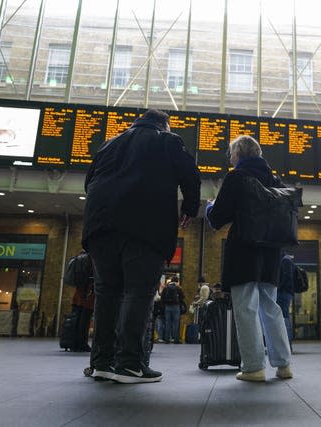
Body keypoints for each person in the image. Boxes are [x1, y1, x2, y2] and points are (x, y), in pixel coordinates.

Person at [82, 109, 201, 383]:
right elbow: (191, 177)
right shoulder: (167, 140)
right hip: (145, 227)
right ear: (164, 125)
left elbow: (89, 182)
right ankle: (129, 365)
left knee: (106, 294)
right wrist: (189, 208)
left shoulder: (109, 143)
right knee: (138, 292)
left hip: (99, 228)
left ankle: (101, 362)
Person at [206, 135, 292, 382]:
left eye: (231, 154)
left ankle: (254, 367)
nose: (230, 158)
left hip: (244, 250)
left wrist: (210, 206)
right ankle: (284, 364)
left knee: (246, 308)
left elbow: (218, 218)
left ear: (239, 154)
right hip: (271, 253)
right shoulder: (275, 180)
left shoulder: (236, 177)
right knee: (271, 307)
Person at [71, 278, 95, 352]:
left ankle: (74, 344)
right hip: (87, 294)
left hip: (79, 293)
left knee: (77, 319)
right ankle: (82, 344)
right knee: (84, 321)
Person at [277, 254, 296, 345]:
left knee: (284, 317)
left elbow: (286, 277)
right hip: (285, 292)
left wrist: (278, 288)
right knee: (284, 316)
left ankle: (287, 343)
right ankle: (286, 343)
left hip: (283, 293)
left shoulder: (285, 260)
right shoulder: (286, 260)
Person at [161, 276, 185, 344]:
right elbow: (182, 297)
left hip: (167, 307)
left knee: (167, 323)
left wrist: (165, 304)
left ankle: (167, 339)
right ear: (177, 281)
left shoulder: (166, 287)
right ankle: (176, 339)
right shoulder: (178, 288)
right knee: (175, 323)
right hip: (176, 307)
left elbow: (162, 297)